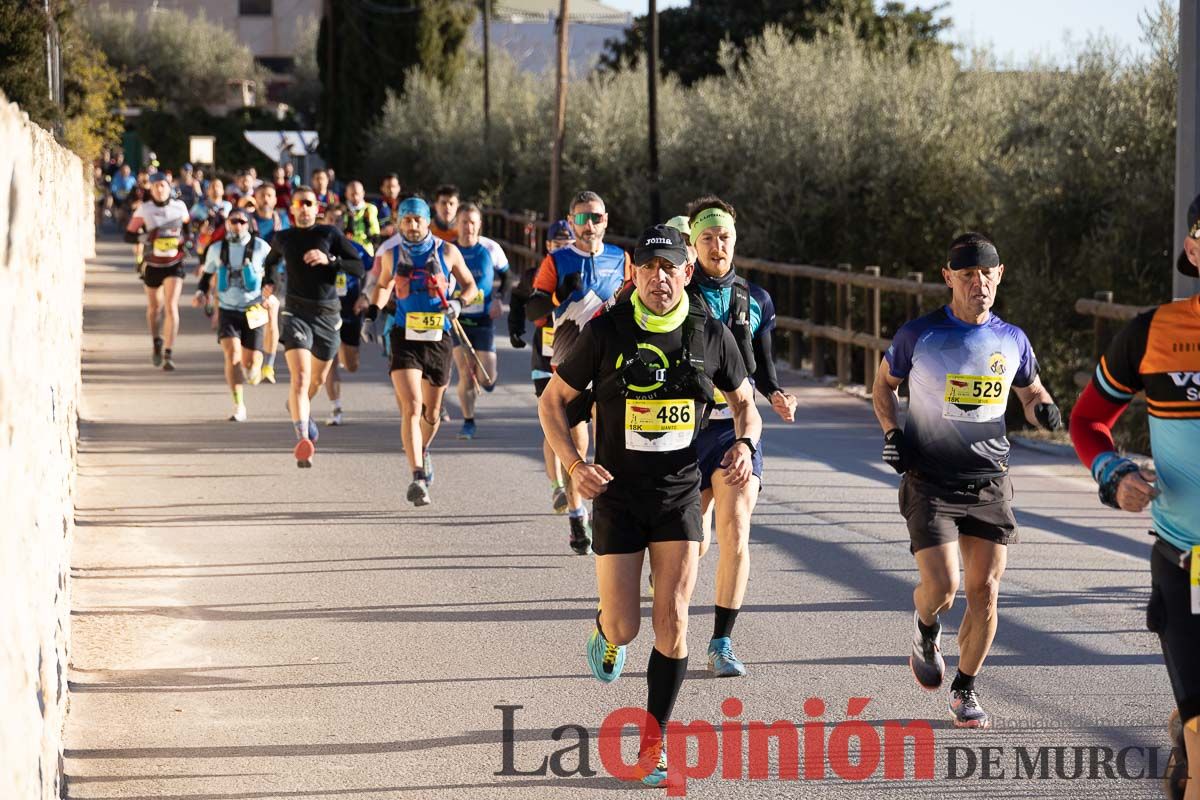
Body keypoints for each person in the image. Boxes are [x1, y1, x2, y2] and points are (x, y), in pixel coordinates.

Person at [538, 224, 762, 787]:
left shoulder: (710, 334)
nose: (660, 278)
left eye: (670, 267)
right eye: (649, 267)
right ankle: (605, 631)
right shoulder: (606, 332)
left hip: (679, 496)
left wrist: (744, 442)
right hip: (615, 495)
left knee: (674, 619)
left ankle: (653, 740)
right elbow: (552, 403)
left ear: (687, 272)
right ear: (633, 273)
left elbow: (745, 405)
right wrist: (572, 466)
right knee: (626, 626)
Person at [871, 232, 1062, 730]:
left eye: (987, 274)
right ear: (949, 277)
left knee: (987, 592)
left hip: (989, 480)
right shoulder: (920, 334)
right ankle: (925, 627)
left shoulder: (1012, 338)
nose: (979, 283)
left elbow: (1030, 390)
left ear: (1000, 276)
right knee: (944, 586)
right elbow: (883, 386)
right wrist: (892, 432)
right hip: (930, 478)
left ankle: (965, 688)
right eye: (968, 274)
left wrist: (1044, 409)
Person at [1069, 195, 1200, 800]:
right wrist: (1112, 473)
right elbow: (1088, 420)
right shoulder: (1154, 330)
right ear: (1192, 248)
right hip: (1184, 558)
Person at [682, 197, 798, 678]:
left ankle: (721, 642)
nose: (716, 245)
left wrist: (776, 394)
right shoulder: (675, 295)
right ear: (693, 243)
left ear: (735, 239)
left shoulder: (756, 300)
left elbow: (762, 367)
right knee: (695, 540)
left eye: (723, 236)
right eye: (706, 237)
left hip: (736, 431)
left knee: (737, 529)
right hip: (686, 432)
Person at [526, 190, 633, 554]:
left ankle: (608, 515)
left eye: (597, 217)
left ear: (606, 220)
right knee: (578, 447)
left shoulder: (622, 258)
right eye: (583, 218)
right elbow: (534, 310)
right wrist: (558, 297)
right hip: (569, 367)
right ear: (571, 222)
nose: (590, 225)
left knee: (610, 447)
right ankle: (576, 514)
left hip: (611, 369)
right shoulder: (556, 261)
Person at [368, 196, 478, 506]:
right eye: (406, 220)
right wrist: (372, 313)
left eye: (417, 220)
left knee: (431, 412)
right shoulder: (391, 254)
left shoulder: (447, 251)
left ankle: (423, 450)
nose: (412, 226)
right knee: (411, 407)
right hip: (404, 336)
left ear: (427, 221)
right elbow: (383, 285)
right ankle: (417, 476)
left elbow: (470, 286)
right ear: (399, 223)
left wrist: (458, 302)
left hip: (438, 338)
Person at [262, 186, 365, 467]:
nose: (304, 208)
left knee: (316, 380)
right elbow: (269, 263)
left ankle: (298, 408)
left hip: (328, 315)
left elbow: (358, 266)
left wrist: (330, 260)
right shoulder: (283, 237)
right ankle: (303, 437)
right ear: (292, 209)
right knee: (300, 377)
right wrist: (268, 284)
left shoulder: (329, 234)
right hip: (295, 312)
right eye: (299, 203)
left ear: (316, 207)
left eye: (309, 203)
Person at [509, 219, 575, 513]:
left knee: (576, 431)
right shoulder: (535, 274)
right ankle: (558, 486)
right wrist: (514, 327)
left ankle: (575, 494)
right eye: (556, 242)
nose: (562, 246)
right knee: (553, 424)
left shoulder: (581, 272)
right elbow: (519, 298)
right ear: (548, 246)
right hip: (544, 359)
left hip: (574, 361)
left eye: (566, 241)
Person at [193, 208, 272, 420]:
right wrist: (202, 292)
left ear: (249, 225)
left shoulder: (261, 248)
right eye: (233, 221)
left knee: (251, 361)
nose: (237, 225)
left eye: (241, 221)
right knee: (232, 355)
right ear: (227, 224)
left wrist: (270, 293)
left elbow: (274, 274)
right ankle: (239, 405)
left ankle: (255, 368)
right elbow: (207, 274)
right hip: (228, 308)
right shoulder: (217, 248)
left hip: (254, 308)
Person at [450, 202, 510, 439]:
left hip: (483, 319)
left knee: (487, 377)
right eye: (464, 222)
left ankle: (485, 381)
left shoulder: (490, 248)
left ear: (479, 225)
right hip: (458, 319)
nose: (468, 227)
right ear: (457, 224)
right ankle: (468, 421)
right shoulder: (448, 250)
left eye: (473, 222)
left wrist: (497, 298)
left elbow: (506, 277)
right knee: (465, 372)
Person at [324, 180, 380, 425]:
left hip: (350, 308)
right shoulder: (316, 246)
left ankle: (345, 351)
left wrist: (364, 295)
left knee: (352, 364)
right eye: (331, 220)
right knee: (330, 363)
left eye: (339, 221)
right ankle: (336, 409)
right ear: (324, 221)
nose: (335, 224)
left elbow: (373, 271)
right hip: (325, 311)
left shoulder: (355, 248)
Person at [124, 172, 191, 370]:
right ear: (151, 189)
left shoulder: (180, 207)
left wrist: (186, 241)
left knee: (171, 306)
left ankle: (169, 353)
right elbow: (128, 236)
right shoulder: (144, 209)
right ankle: (156, 341)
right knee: (155, 309)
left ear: (169, 187)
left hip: (174, 263)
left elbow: (188, 229)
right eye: (155, 186)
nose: (159, 189)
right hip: (153, 264)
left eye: (163, 185)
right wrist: (146, 237)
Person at [250, 184, 291, 384]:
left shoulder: (282, 220)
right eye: (262, 196)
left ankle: (269, 365)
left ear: (275, 200)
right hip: (254, 277)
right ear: (255, 199)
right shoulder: (249, 221)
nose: (266, 199)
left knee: (273, 319)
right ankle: (257, 362)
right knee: (258, 321)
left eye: (269, 195)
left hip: (276, 276)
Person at [376, 173, 403, 238]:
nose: (391, 190)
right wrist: (380, 232)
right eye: (388, 187)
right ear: (382, 188)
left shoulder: (406, 205)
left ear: (399, 187)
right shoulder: (374, 206)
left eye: (394, 186)